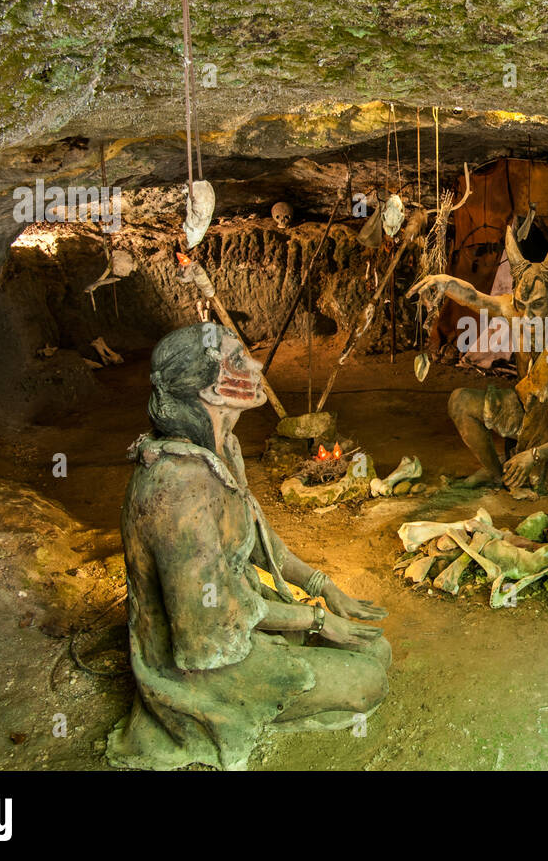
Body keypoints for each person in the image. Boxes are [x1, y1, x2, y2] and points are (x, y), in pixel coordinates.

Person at [106, 322, 390, 770]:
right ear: (206, 389)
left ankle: (284, 685)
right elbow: (205, 624)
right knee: (368, 679)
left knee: (377, 649)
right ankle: (232, 714)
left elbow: (260, 540)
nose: (255, 365)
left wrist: (323, 586)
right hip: (198, 661)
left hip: (240, 616)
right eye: (238, 361)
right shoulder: (178, 485)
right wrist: (317, 620)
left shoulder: (223, 449)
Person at [408, 227, 548, 497]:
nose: (527, 317)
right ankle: (495, 472)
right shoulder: (517, 310)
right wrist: (445, 282)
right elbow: (475, 298)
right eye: (522, 305)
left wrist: (533, 456)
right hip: (528, 407)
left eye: (538, 305)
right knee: (460, 401)